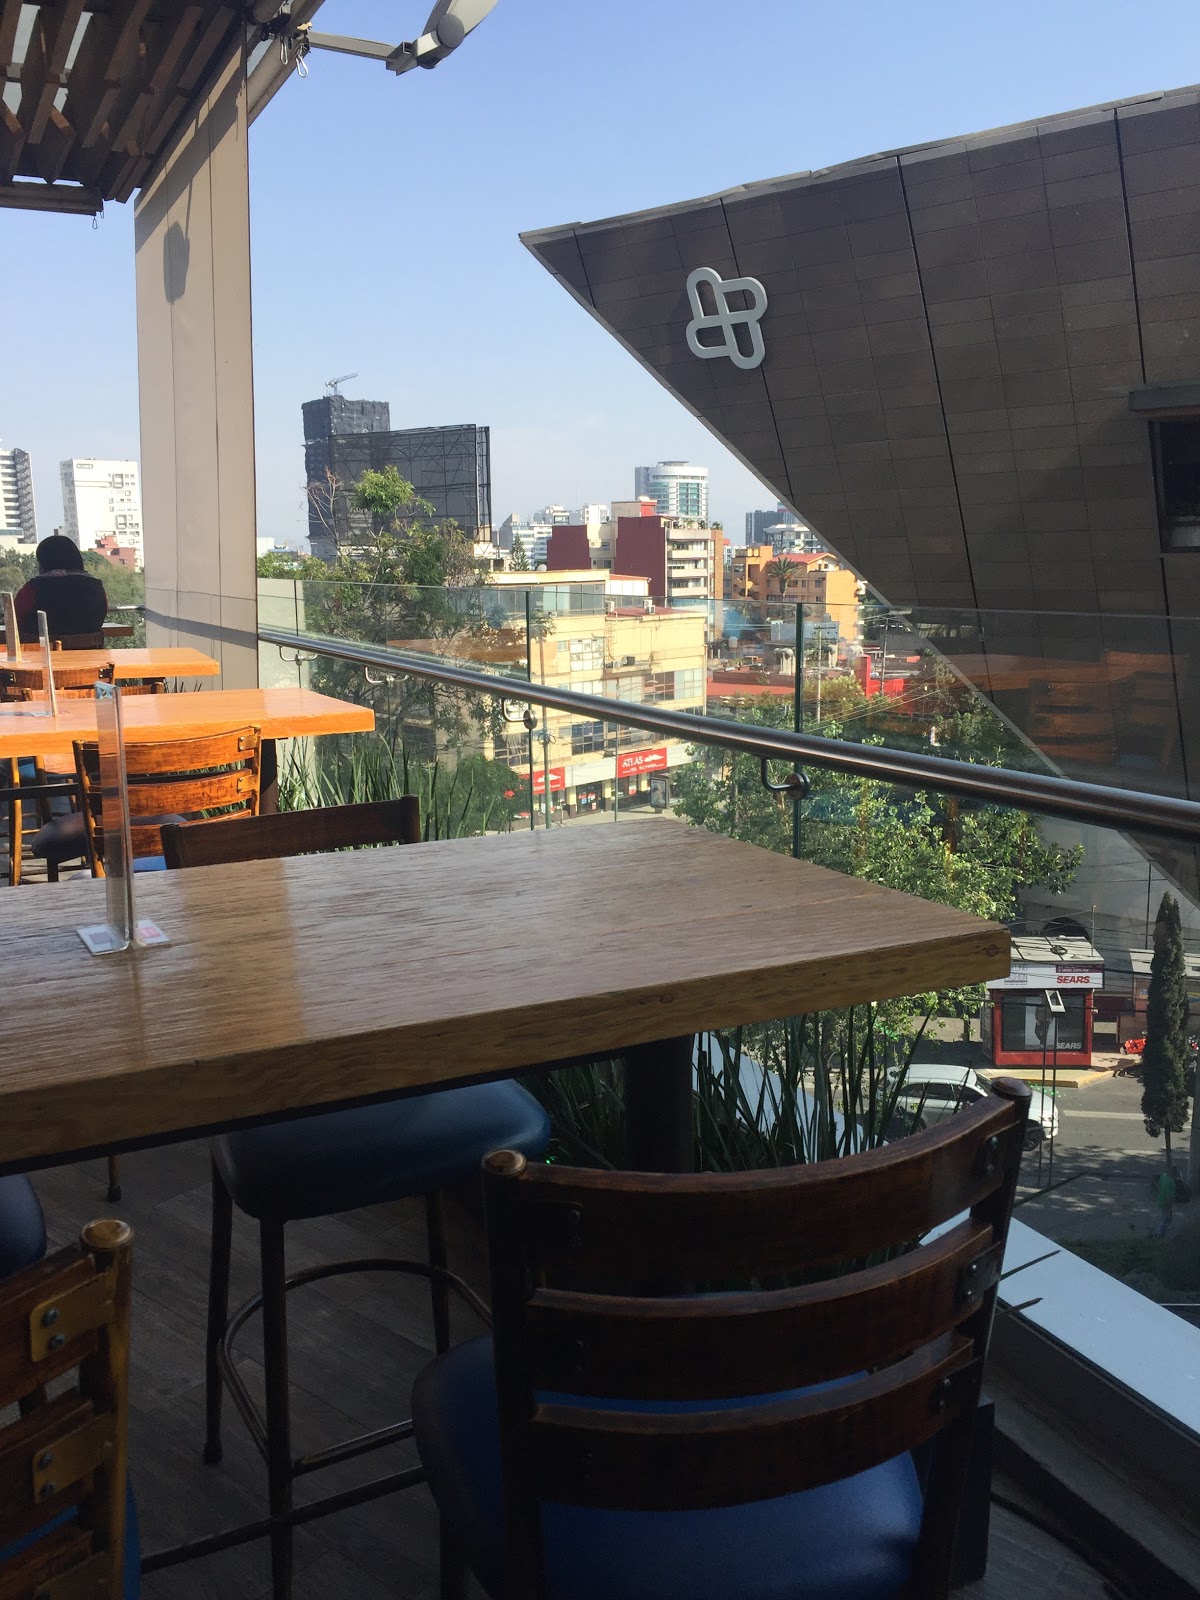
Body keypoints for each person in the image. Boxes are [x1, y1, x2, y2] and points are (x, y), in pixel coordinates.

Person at [14, 535, 108, 645]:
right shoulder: (97, 588)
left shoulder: (31, 589)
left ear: (43, 563)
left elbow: (15, 617)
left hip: (41, 654)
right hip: (90, 654)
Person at [1154, 1166, 1176, 1238]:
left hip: (1161, 1200)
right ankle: (1158, 1235)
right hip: (1166, 1204)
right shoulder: (1171, 1182)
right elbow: (1170, 1197)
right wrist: (1170, 1209)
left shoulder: (1163, 1175)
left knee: (1164, 1218)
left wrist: (1160, 1195)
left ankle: (1159, 1232)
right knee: (1164, 1220)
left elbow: (1158, 1186)